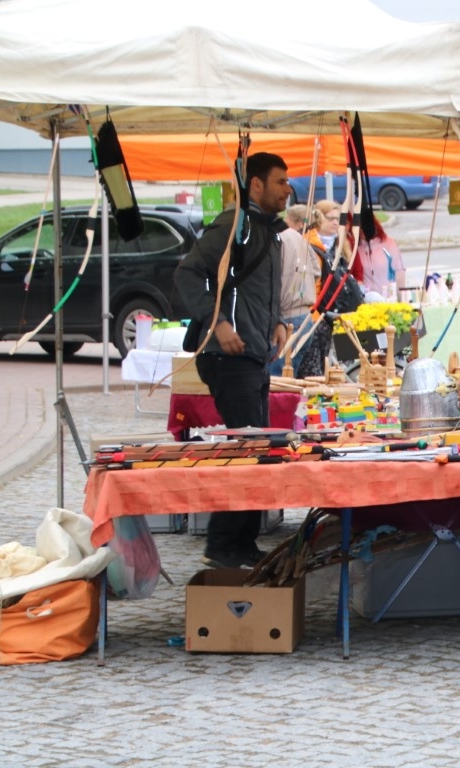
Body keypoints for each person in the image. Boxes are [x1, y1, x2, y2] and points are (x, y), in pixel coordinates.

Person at [173, 152, 292, 569]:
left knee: (257, 452)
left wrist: (278, 322)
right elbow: (188, 273)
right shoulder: (233, 225)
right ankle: (221, 544)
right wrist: (218, 322)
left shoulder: (270, 232)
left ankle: (240, 542)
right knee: (247, 453)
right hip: (228, 357)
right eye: (279, 181)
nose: (287, 189)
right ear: (255, 184)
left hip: (255, 354)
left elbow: (262, 290)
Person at [273, 205, 323, 376]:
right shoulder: (298, 237)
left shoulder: (277, 238)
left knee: (278, 382)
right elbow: (316, 271)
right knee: (289, 378)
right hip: (305, 316)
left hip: (287, 319)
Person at [354, 219, 405, 298]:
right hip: (368, 300)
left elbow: (399, 271)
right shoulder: (355, 248)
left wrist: (401, 296)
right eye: (360, 228)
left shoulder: (388, 243)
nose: (363, 231)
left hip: (389, 298)